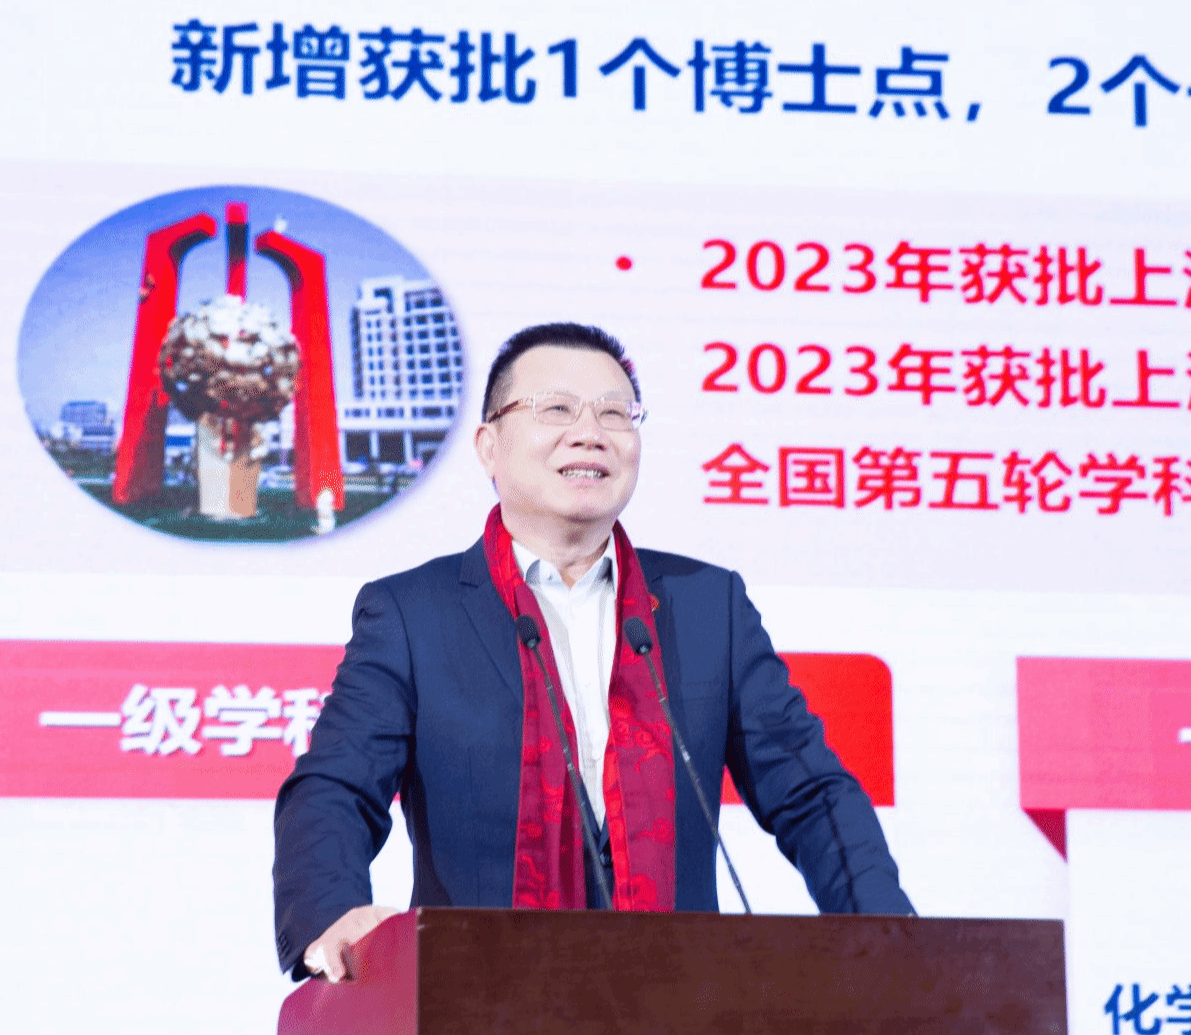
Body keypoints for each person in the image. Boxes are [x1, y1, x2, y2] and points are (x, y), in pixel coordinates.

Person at [272, 322, 914, 982]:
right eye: (556, 409)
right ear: (489, 446)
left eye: (614, 413)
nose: (590, 432)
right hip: (472, 999)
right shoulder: (414, 613)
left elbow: (810, 794)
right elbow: (336, 787)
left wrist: (893, 942)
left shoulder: (707, 606)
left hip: (685, 1004)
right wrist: (332, 914)